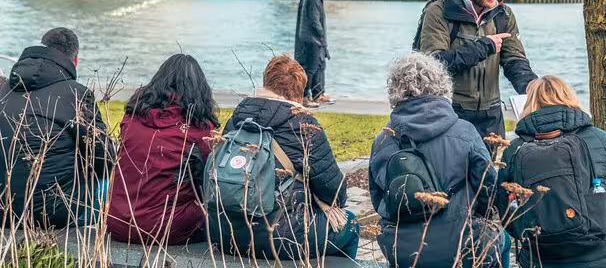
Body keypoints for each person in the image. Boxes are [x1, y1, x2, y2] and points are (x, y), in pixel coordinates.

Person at [208, 55, 358, 260]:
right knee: (351, 225)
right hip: (280, 238)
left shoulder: (239, 116)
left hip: (225, 234)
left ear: (266, 82)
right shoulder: (303, 124)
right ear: (299, 91)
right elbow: (334, 192)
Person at [496, 76, 606, 268]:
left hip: (542, 258)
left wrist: (531, 239)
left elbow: (504, 209)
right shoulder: (600, 139)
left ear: (529, 104)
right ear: (569, 98)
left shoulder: (515, 149)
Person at [368, 52, 506, 267]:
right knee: (501, 240)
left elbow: (380, 200)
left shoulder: (383, 140)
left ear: (395, 90)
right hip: (463, 242)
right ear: (442, 85)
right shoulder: (465, 131)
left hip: (402, 249)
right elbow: (488, 189)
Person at [0, 28, 114, 228]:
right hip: (51, 215)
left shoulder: (3, 89)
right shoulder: (76, 94)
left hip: (2, 209)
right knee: (109, 184)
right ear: (75, 61)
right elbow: (105, 160)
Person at [418, 0, 537, 142]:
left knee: (489, 172)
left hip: (491, 116)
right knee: (452, 171)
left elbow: (514, 61)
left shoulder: (503, 14)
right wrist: (483, 47)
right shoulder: (439, 12)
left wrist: (534, 87)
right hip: (449, 112)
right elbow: (434, 66)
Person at [108, 54, 218, 245]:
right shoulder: (198, 129)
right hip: (162, 228)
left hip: (117, 222)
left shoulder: (132, 118)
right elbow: (210, 178)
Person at [294, 0, 331, 107]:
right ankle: (305, 97)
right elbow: (315, 21)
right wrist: (321, 35)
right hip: (312, 40)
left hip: (311, 39)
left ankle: (315, 95)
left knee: (314, 67)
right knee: (310, 69)